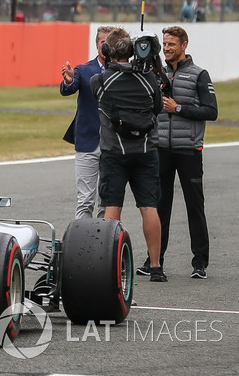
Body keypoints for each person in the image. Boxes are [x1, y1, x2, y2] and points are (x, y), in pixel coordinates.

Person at [137, 26, 218, 279]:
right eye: (165, 43)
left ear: (184, 45)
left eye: (172, 44)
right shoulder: (155, 74)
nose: (168, 47)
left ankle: (200, 263)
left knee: (195, 206)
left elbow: (211, 111)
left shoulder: (199, 74)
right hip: (161, 149)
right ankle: (155, 260)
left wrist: (179, 108)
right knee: (160, 206)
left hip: (189, 151)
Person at [90, 28, 166, 282]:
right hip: (146, 151)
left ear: (107, 52)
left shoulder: (100, 82)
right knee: (149, 208)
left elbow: (98, 91)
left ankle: (110, 268)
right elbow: (158, 107)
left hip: (114, 153)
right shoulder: (150, 80)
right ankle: (156, 266)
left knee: (112, 208)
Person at [60, 26, 115, 219]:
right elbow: (69, 88)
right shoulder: (84, 70)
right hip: (88, 143)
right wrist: (68, 80)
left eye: (110, 43)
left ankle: (105, 243)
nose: (106, 46)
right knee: (85, 201)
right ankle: (83, 243)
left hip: (114, 144)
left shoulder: (123, 72)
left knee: (108, 201)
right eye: (103, 43)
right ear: (97, 45)